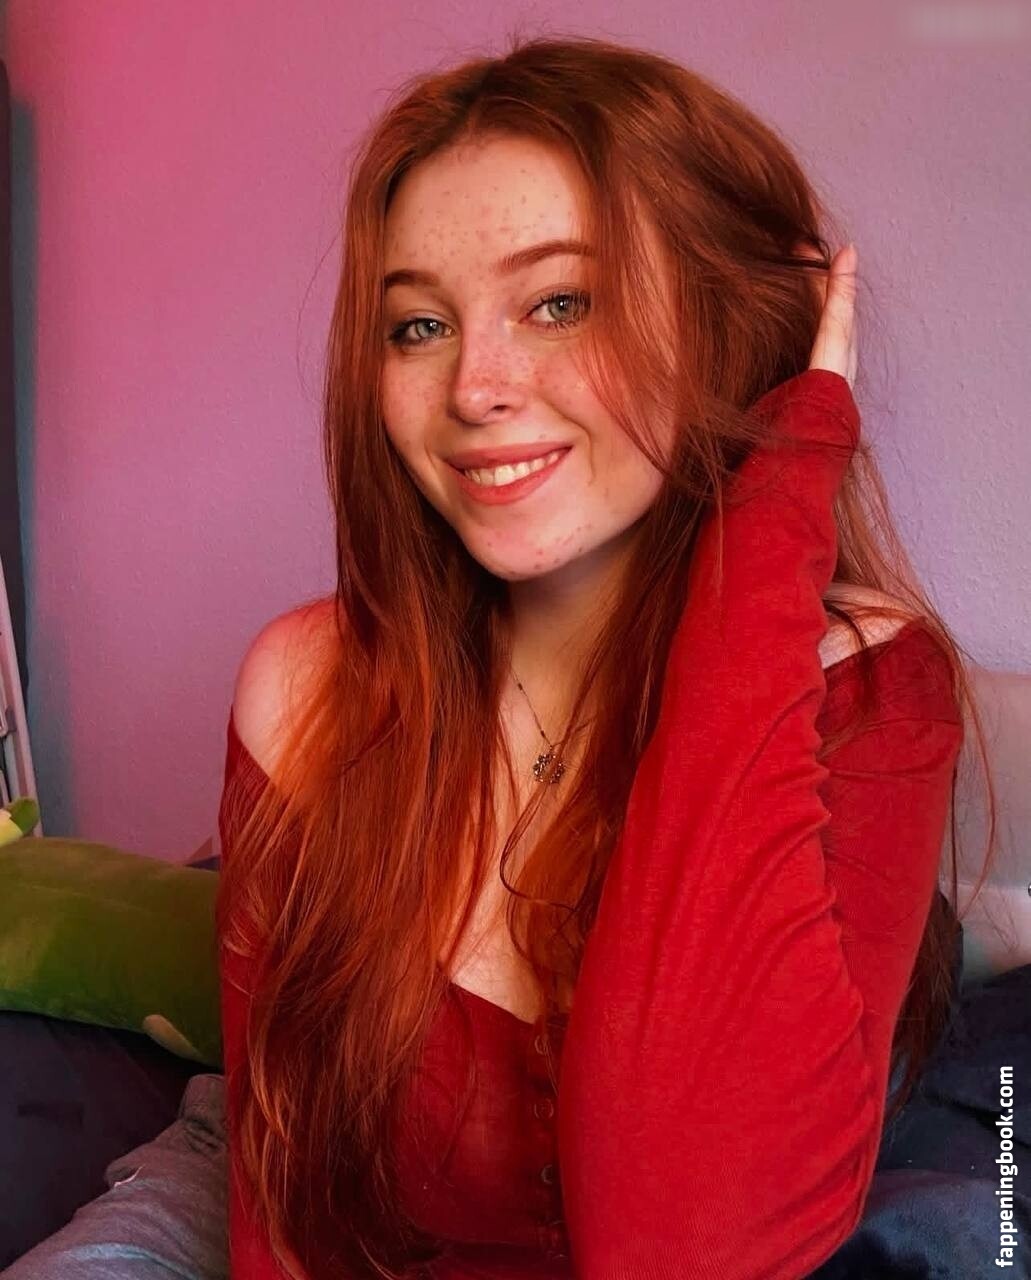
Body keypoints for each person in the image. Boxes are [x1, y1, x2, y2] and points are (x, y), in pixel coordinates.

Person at [215, 33, 995, 1280]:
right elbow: (280, 1214)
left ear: (729, 321)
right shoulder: (305, 685)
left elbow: (687, 1243)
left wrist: (780, 484)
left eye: (559, 303)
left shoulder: (866, 685)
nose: (474, 387)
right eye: (417, 325)